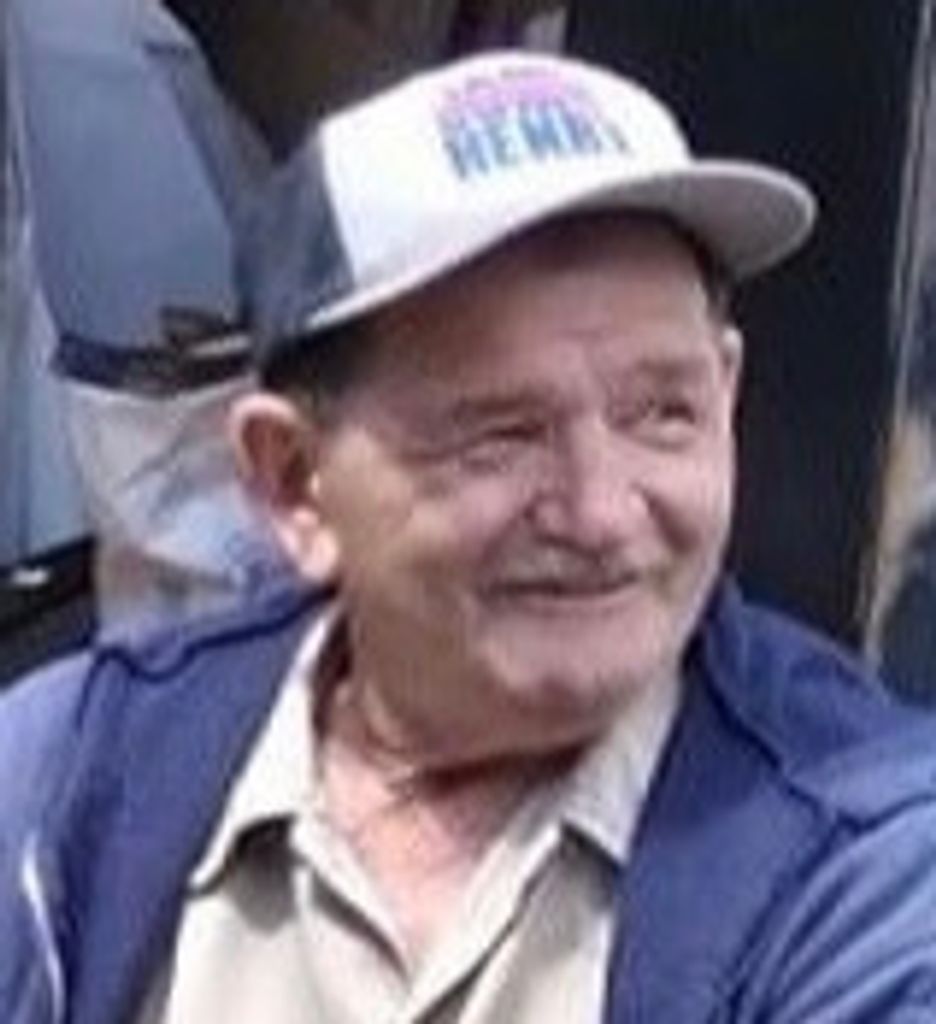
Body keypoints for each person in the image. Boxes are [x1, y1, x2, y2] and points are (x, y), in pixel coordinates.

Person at [3, 50, 936, 1024]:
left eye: (663, 414)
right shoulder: (71, 781)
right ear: (293, 481)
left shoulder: (870, 848)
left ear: (727, 392)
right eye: (502, 436)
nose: (601, 512)